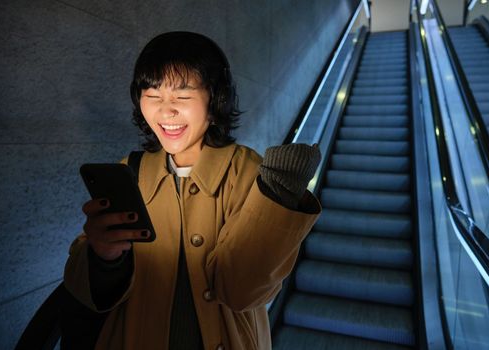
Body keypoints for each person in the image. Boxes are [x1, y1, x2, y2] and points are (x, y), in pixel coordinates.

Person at [63, 31, 321, 350]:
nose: (165, 111)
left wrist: (279, 196)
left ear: (215, 102)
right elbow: (83, 286)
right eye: (152, 95)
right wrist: (103, 254)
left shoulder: (248, 172)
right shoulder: (130, 170)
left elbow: (242, 292)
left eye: (182, 97)